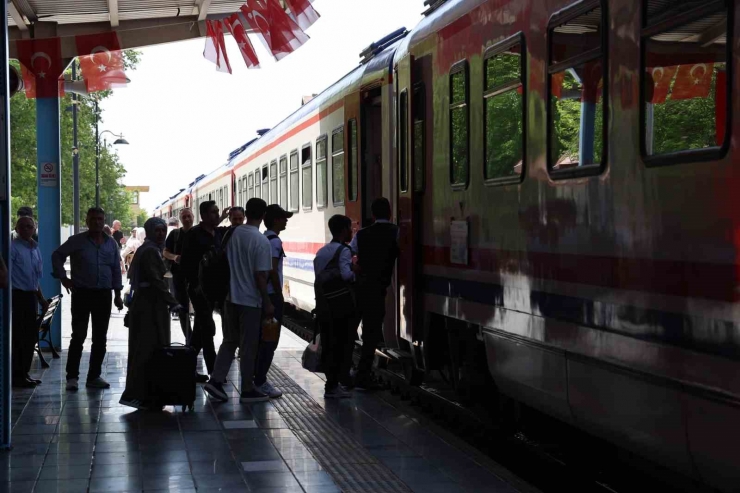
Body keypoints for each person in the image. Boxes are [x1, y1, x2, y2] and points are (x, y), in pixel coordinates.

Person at [204, 198, 274, 403]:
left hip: (229, 298)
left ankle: (216, 381)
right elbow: (261, 276)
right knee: (249, 346)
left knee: (230, 341)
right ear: (262, 216)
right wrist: (267, 301)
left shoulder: (232, 234)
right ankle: (247, 388)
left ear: (247, 213)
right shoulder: (261, 241)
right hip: (250, 301)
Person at [52, 207, 124, 391]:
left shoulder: (111, 244)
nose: (97, 222)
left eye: (100, 219)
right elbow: (57, 255)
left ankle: (94, 376)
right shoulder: (76, 241)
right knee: (78, 336)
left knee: (100, 338)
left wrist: (117, 294)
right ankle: (72, 377)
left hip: (103, 295)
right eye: (93, 219)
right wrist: (63, 278)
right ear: (87, 221)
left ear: (104, 220)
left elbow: (116, 269)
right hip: (82, 294)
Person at [120, 218, 180, 410]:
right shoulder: (150, 251)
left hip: (146, 305)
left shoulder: (147, 249)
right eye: (157, 230)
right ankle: (143, 394)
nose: (161, 234)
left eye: (163, 230)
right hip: (150, 307)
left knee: (143, 348)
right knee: (148, 348)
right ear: (149, 232)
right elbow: (157, 281)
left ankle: (144, 393)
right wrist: (173, 303)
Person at [349, 197, 399, 390]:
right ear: (390, 212)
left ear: (372, 214)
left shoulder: (361, 234)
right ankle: (362, 377)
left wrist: (356, 267)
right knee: (371, 335)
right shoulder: (396, 232)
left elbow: (349, 253)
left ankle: (345, 373)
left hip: (360, 288)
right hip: (378, 290)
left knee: (351, 330)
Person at [179, 201, 229, 382]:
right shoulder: (194, 235)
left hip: (215, 290)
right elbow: (186, 263)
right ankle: (215, 372)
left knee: (200, 331)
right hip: (200, 290)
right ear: (204, 216)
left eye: (217, 212)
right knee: (208, 329)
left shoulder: (218, 233)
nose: (217, 215)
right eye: (214, 213)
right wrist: (194, 285)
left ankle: (185, 366)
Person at [314, 215, 356, 398]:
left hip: (324, 304)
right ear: (343, 230)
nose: (352, 231)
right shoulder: (344, 251)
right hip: (341, 305)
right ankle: (335, 385)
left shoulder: (322, 251)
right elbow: (346, 275)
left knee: (329, 343)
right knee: (342, 343)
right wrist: (357, 272)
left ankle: (331, 384)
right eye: (350, 228)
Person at [253, 204, 292, 398]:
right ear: (276, 220)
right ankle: (261, 380)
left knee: (262, 340)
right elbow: (272, 270)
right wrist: (279, 295)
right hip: (271, 296)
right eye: (284, 218)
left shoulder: (262, 238)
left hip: (260, 295)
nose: (286, 221)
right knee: (270, 340)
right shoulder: (275, 241)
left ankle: (256, 377)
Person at [11, 217, 48, 388]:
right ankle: (17, 375)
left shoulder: (35, 248)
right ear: (17, 229)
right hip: (17, 297)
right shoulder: (12, 248)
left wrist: (41, 298)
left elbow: (34, 279)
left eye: (29, 226)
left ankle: (24, 373)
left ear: (34, 229)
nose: (26, 229)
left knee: (29, 337)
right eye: (22, 227)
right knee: (19, 337)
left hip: (30, 297)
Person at [164, 208, 195, 339]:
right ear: (180, 219)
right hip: (179, 277)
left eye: (189, 216)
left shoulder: (199, 233)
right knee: (183, 308)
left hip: (196, 278)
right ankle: (189, 337)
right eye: (184, 217)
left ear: (193, 217)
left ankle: (196, 338)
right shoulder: (175, 235)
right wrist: (175, 257)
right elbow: (165, 252)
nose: (187, 219)